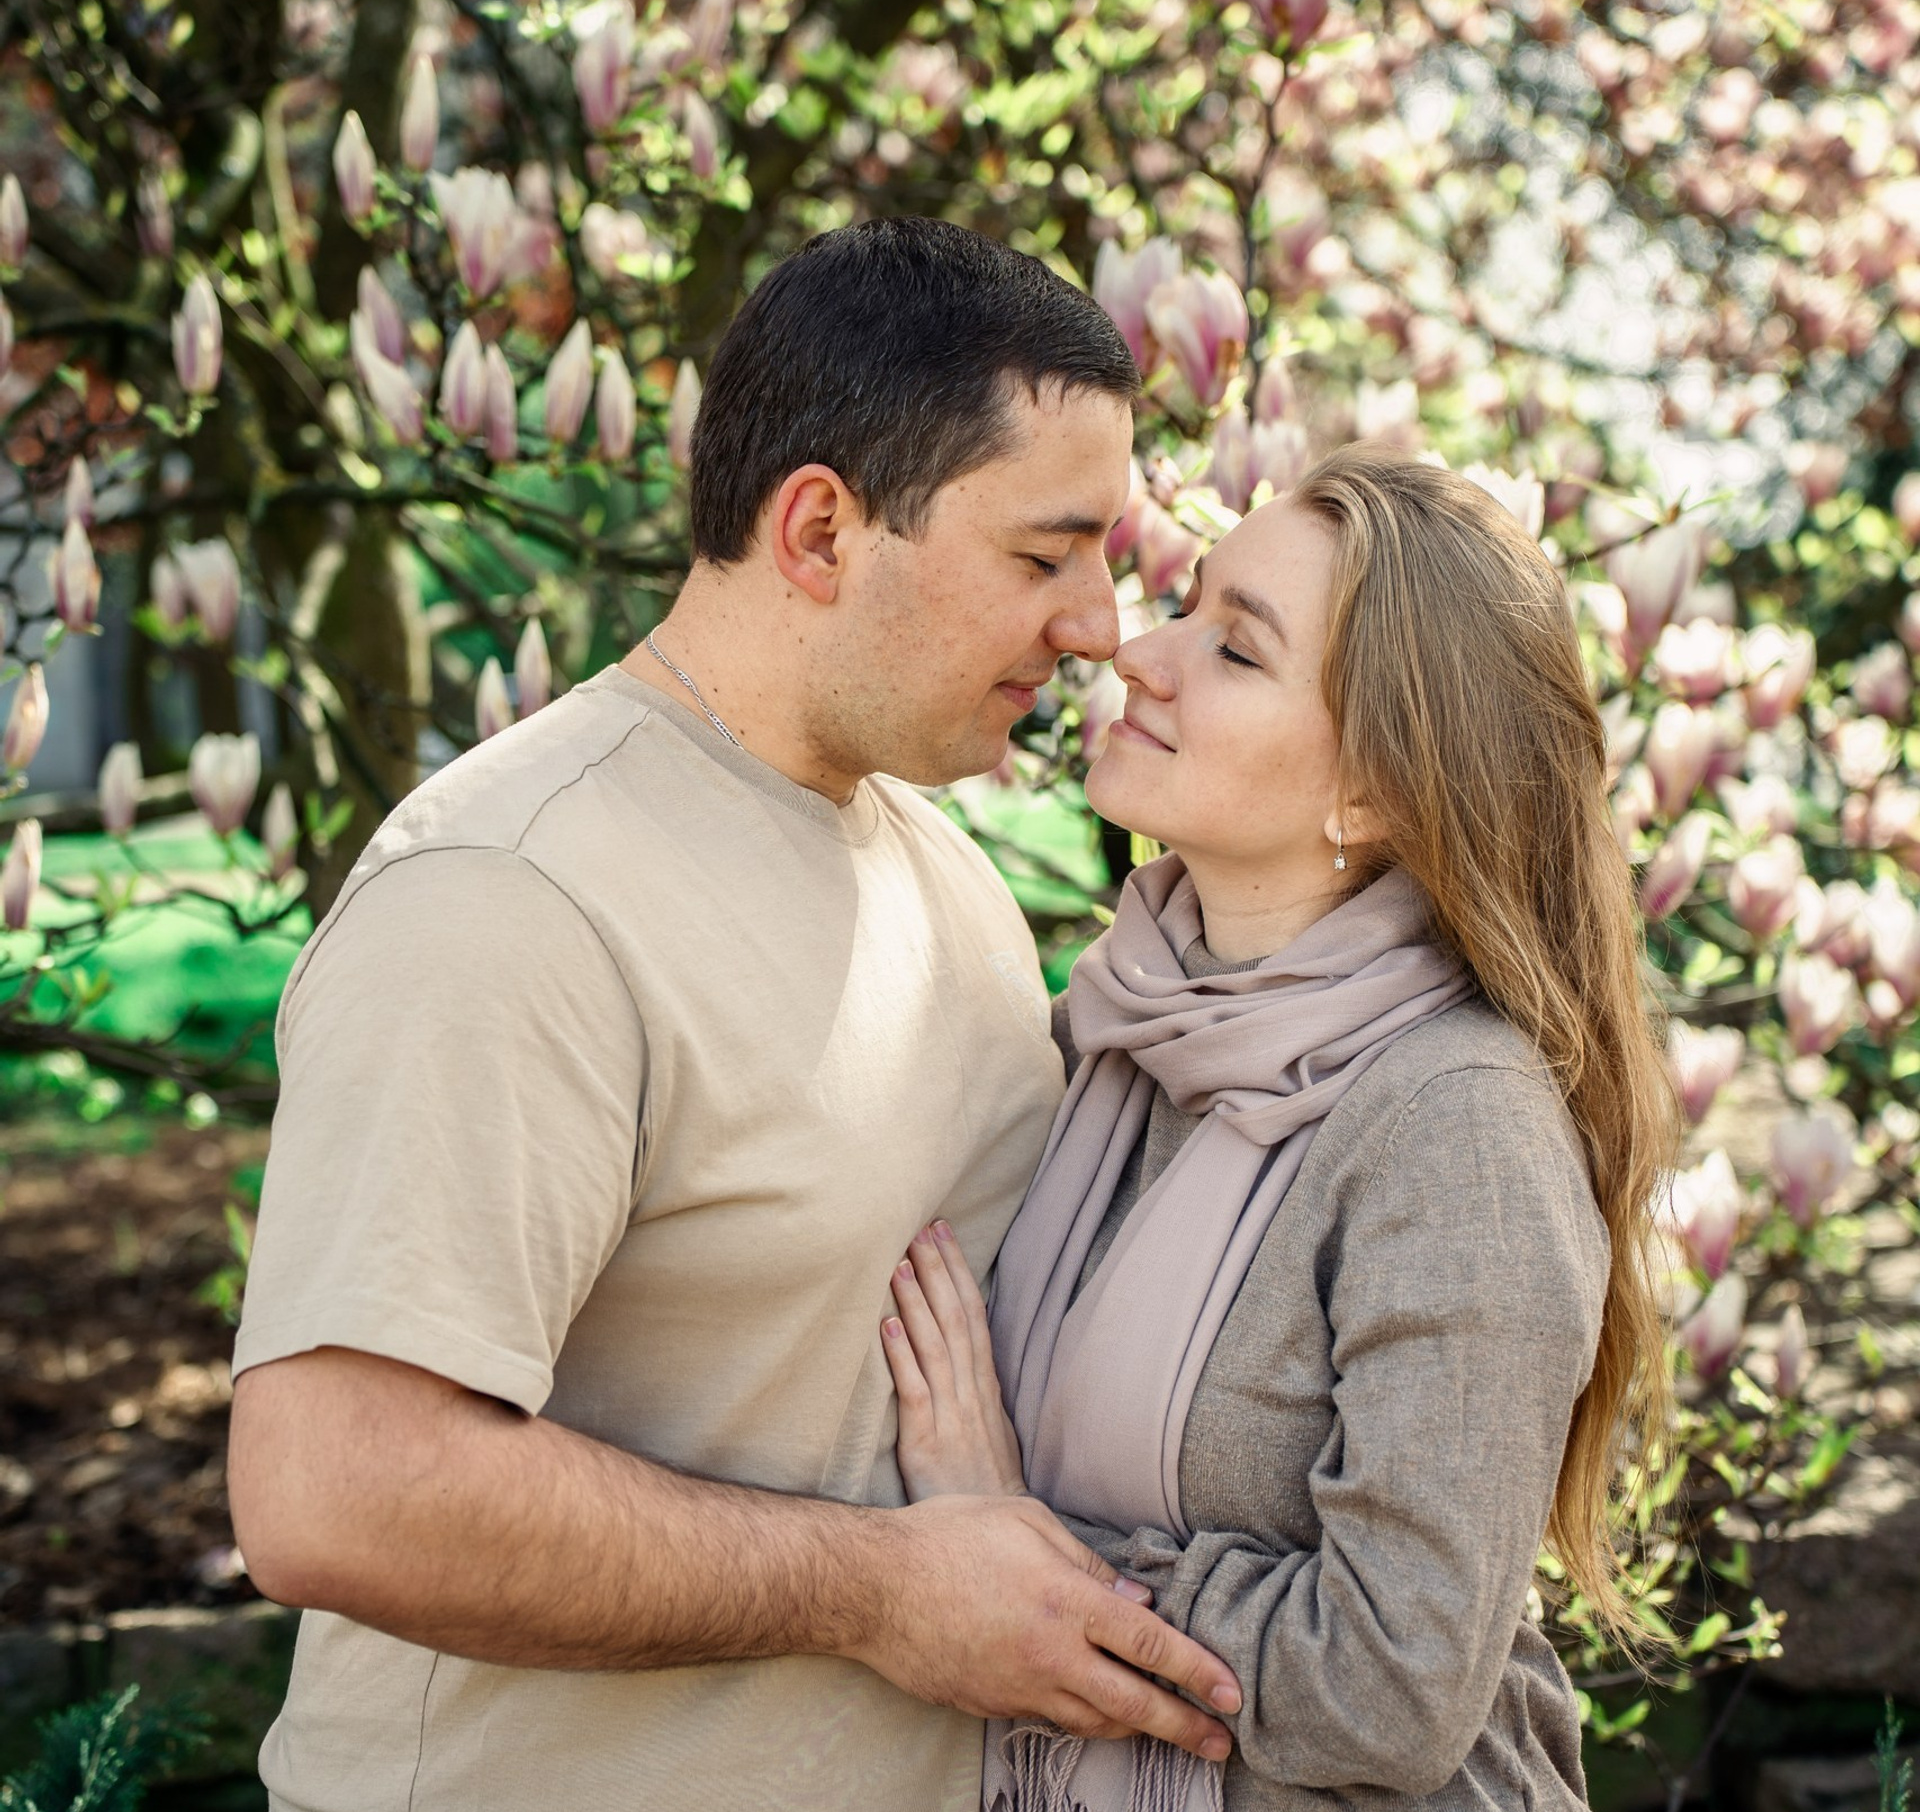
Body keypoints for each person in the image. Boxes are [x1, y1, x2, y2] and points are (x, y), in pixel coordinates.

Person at [225, 217, 1244, 1812]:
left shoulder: (938, 867)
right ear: (822, 532)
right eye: (1043, 556)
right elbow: (334, 1495)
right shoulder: (513, 894)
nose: (1100, 626)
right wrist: (884, 1594)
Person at [881, 444, 1680, 1811]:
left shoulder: (1452, 1125)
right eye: (1188, 603)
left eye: (1236, 652)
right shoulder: (1120, 1034)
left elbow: (1392, 1689)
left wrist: (1017, 1541)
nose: (1143, 655)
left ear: (1368, 793)